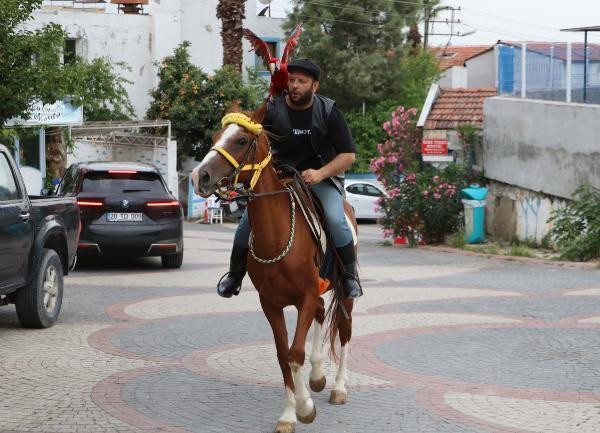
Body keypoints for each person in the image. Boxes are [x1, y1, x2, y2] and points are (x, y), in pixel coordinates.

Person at [217, 58, 363, 300]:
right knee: (246, 222)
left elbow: (348, 156)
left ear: (314, 86)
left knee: (337, 220)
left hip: (321, 179)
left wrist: (320, 173)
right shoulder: (274, 108)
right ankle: (234, 274)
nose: (295, 85)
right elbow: (251, 136)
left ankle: (348, 277)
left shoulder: (329, 112)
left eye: (302, 81)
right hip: (280, 178)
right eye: (292, 80)